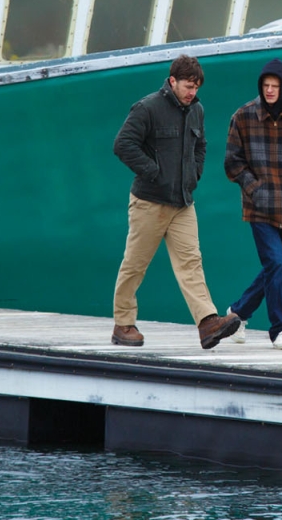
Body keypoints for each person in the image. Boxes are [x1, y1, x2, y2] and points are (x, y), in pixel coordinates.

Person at [110, 54, 241, 349]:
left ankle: (208, 323)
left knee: (191, 262)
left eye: (196, 87)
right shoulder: (148, 108)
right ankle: (123, 324)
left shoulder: (197, 111)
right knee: (135, 265)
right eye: (187, 85)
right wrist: (154, 172)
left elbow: (201, 146)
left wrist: (194, 174)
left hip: (183, 203)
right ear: (172, 81)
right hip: (149, 202)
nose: (192, 92)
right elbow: (123, 144)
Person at [223, 58, 282, 350]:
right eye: (265, 85)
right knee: (276, 263)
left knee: (274, 270)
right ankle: (279, 329)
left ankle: (237, 314)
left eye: (275, 86)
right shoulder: (243, 116)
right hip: (258, 208)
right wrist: (255, 189)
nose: (269, 91)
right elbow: (232, 162)